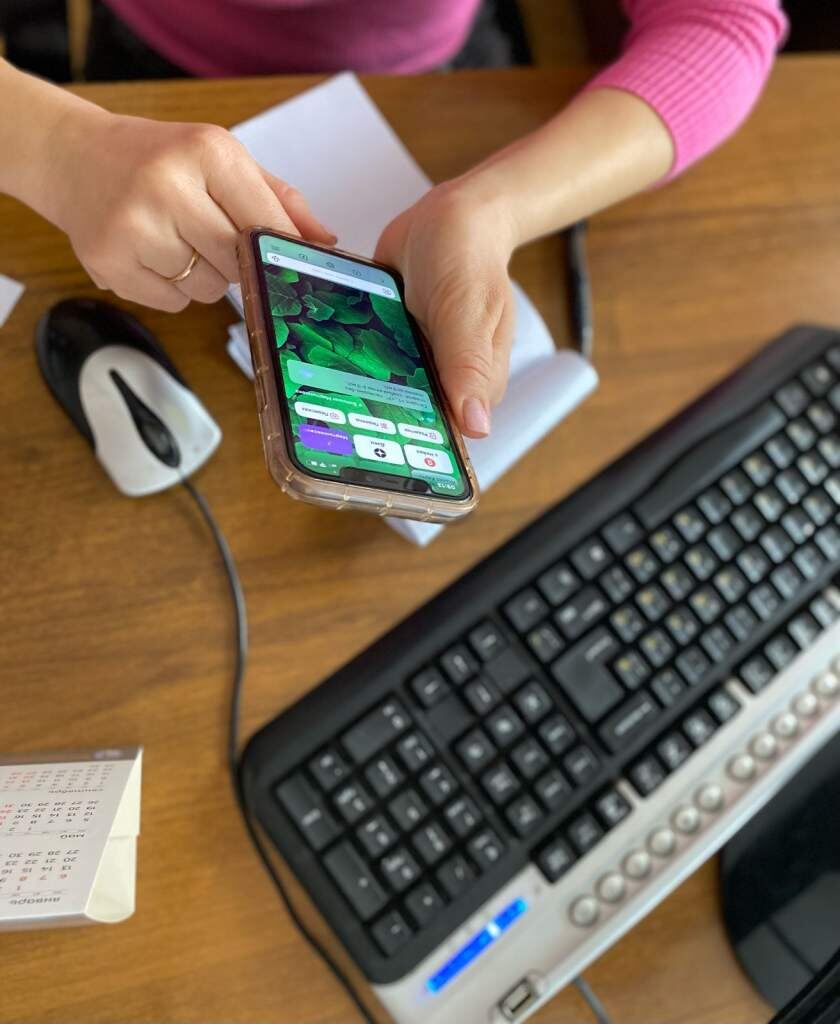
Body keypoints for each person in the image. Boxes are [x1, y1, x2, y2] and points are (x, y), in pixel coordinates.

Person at [0, 1, 787, 438]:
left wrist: (495, 205)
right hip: (142, 71)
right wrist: (52, 147)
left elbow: (723, 22)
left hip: (434, 78)